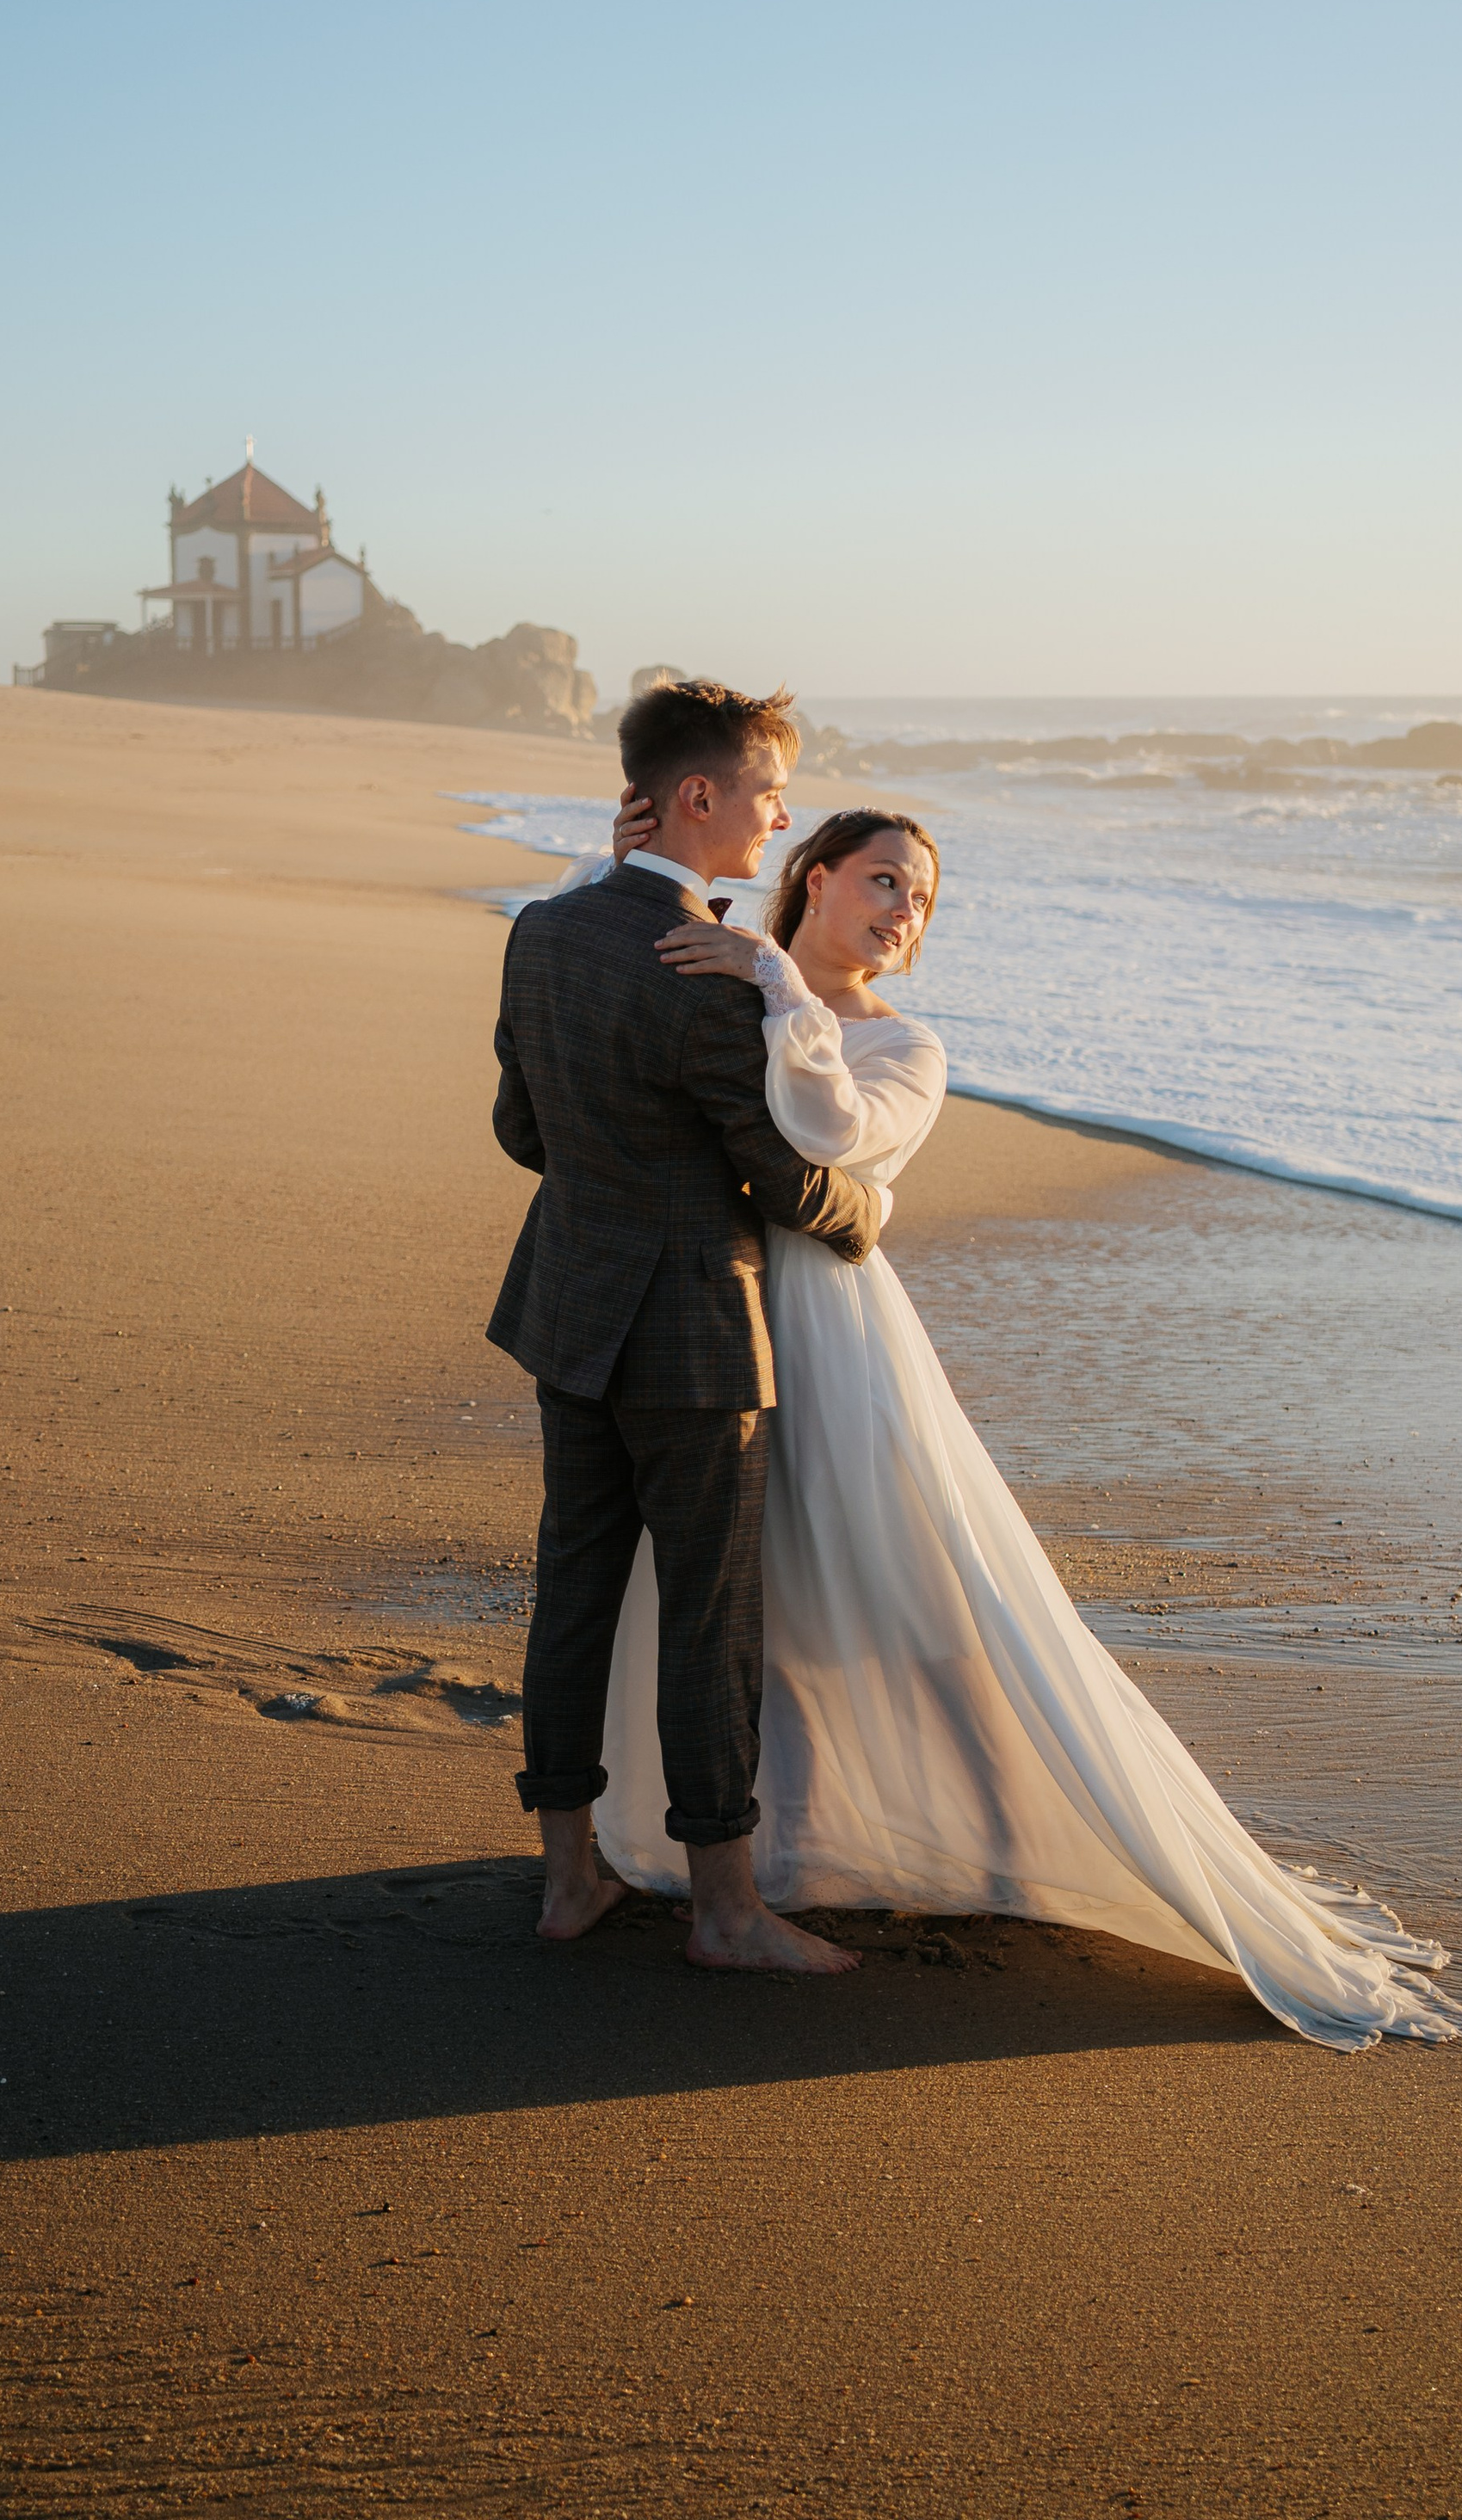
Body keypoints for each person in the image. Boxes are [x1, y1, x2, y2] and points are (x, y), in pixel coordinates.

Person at [568, 790, 1462, 2055]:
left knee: (918, 1594)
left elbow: (826, 1131)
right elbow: (623, 1034)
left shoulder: (901, 1044)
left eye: (920, 898)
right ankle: (756, 1851)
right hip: (707, 1319)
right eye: (883, 879)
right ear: (814, 873)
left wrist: (773, 975)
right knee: (731, 1598)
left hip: (832, 1333)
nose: (902, 911)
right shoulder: (723, 975)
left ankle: (1002, 1829)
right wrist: (634, 876)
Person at [487, 679, 882, 1974]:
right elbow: (774, 1173)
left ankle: (565, 1880)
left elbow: (520, 1132)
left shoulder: (539, 932)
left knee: (574, 1589)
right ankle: (725, 1908)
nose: (783, 814)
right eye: (770, 790)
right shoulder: (704, 974)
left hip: (567, 1311)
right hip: (695, 1341)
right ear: (699, 796)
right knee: (713, 1621)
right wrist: (862, 1208)